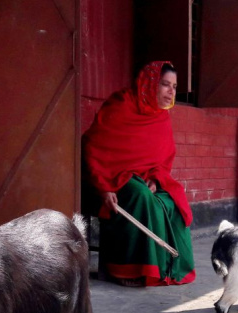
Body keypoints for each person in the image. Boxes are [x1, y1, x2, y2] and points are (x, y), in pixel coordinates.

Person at [82, 61, 195, 287]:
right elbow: (94, 146)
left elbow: (162, 159)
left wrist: (155, 178)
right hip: (111, 178)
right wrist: (104, 187)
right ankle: (128, 270)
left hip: (144, 178)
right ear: (150, 83)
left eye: (174, 86)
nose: (171, 91)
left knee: (171, 198)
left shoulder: (161, 116)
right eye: (165, 84)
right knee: (142, 196)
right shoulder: (121, 105)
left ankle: (167, 269)